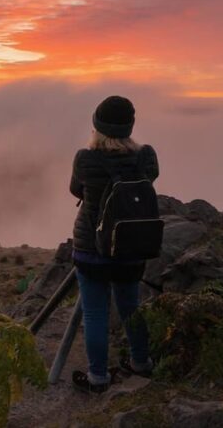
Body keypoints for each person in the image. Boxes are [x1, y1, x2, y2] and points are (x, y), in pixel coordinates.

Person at [69, 96, 159, 393]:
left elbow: (75, 190)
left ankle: (98, 377)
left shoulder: (85, 158)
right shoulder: (145, 156)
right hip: (130, 247)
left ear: (98, 126)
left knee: (95, 313)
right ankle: (141, 363)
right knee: (131, 307)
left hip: (92, 249)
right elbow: (150, 180)